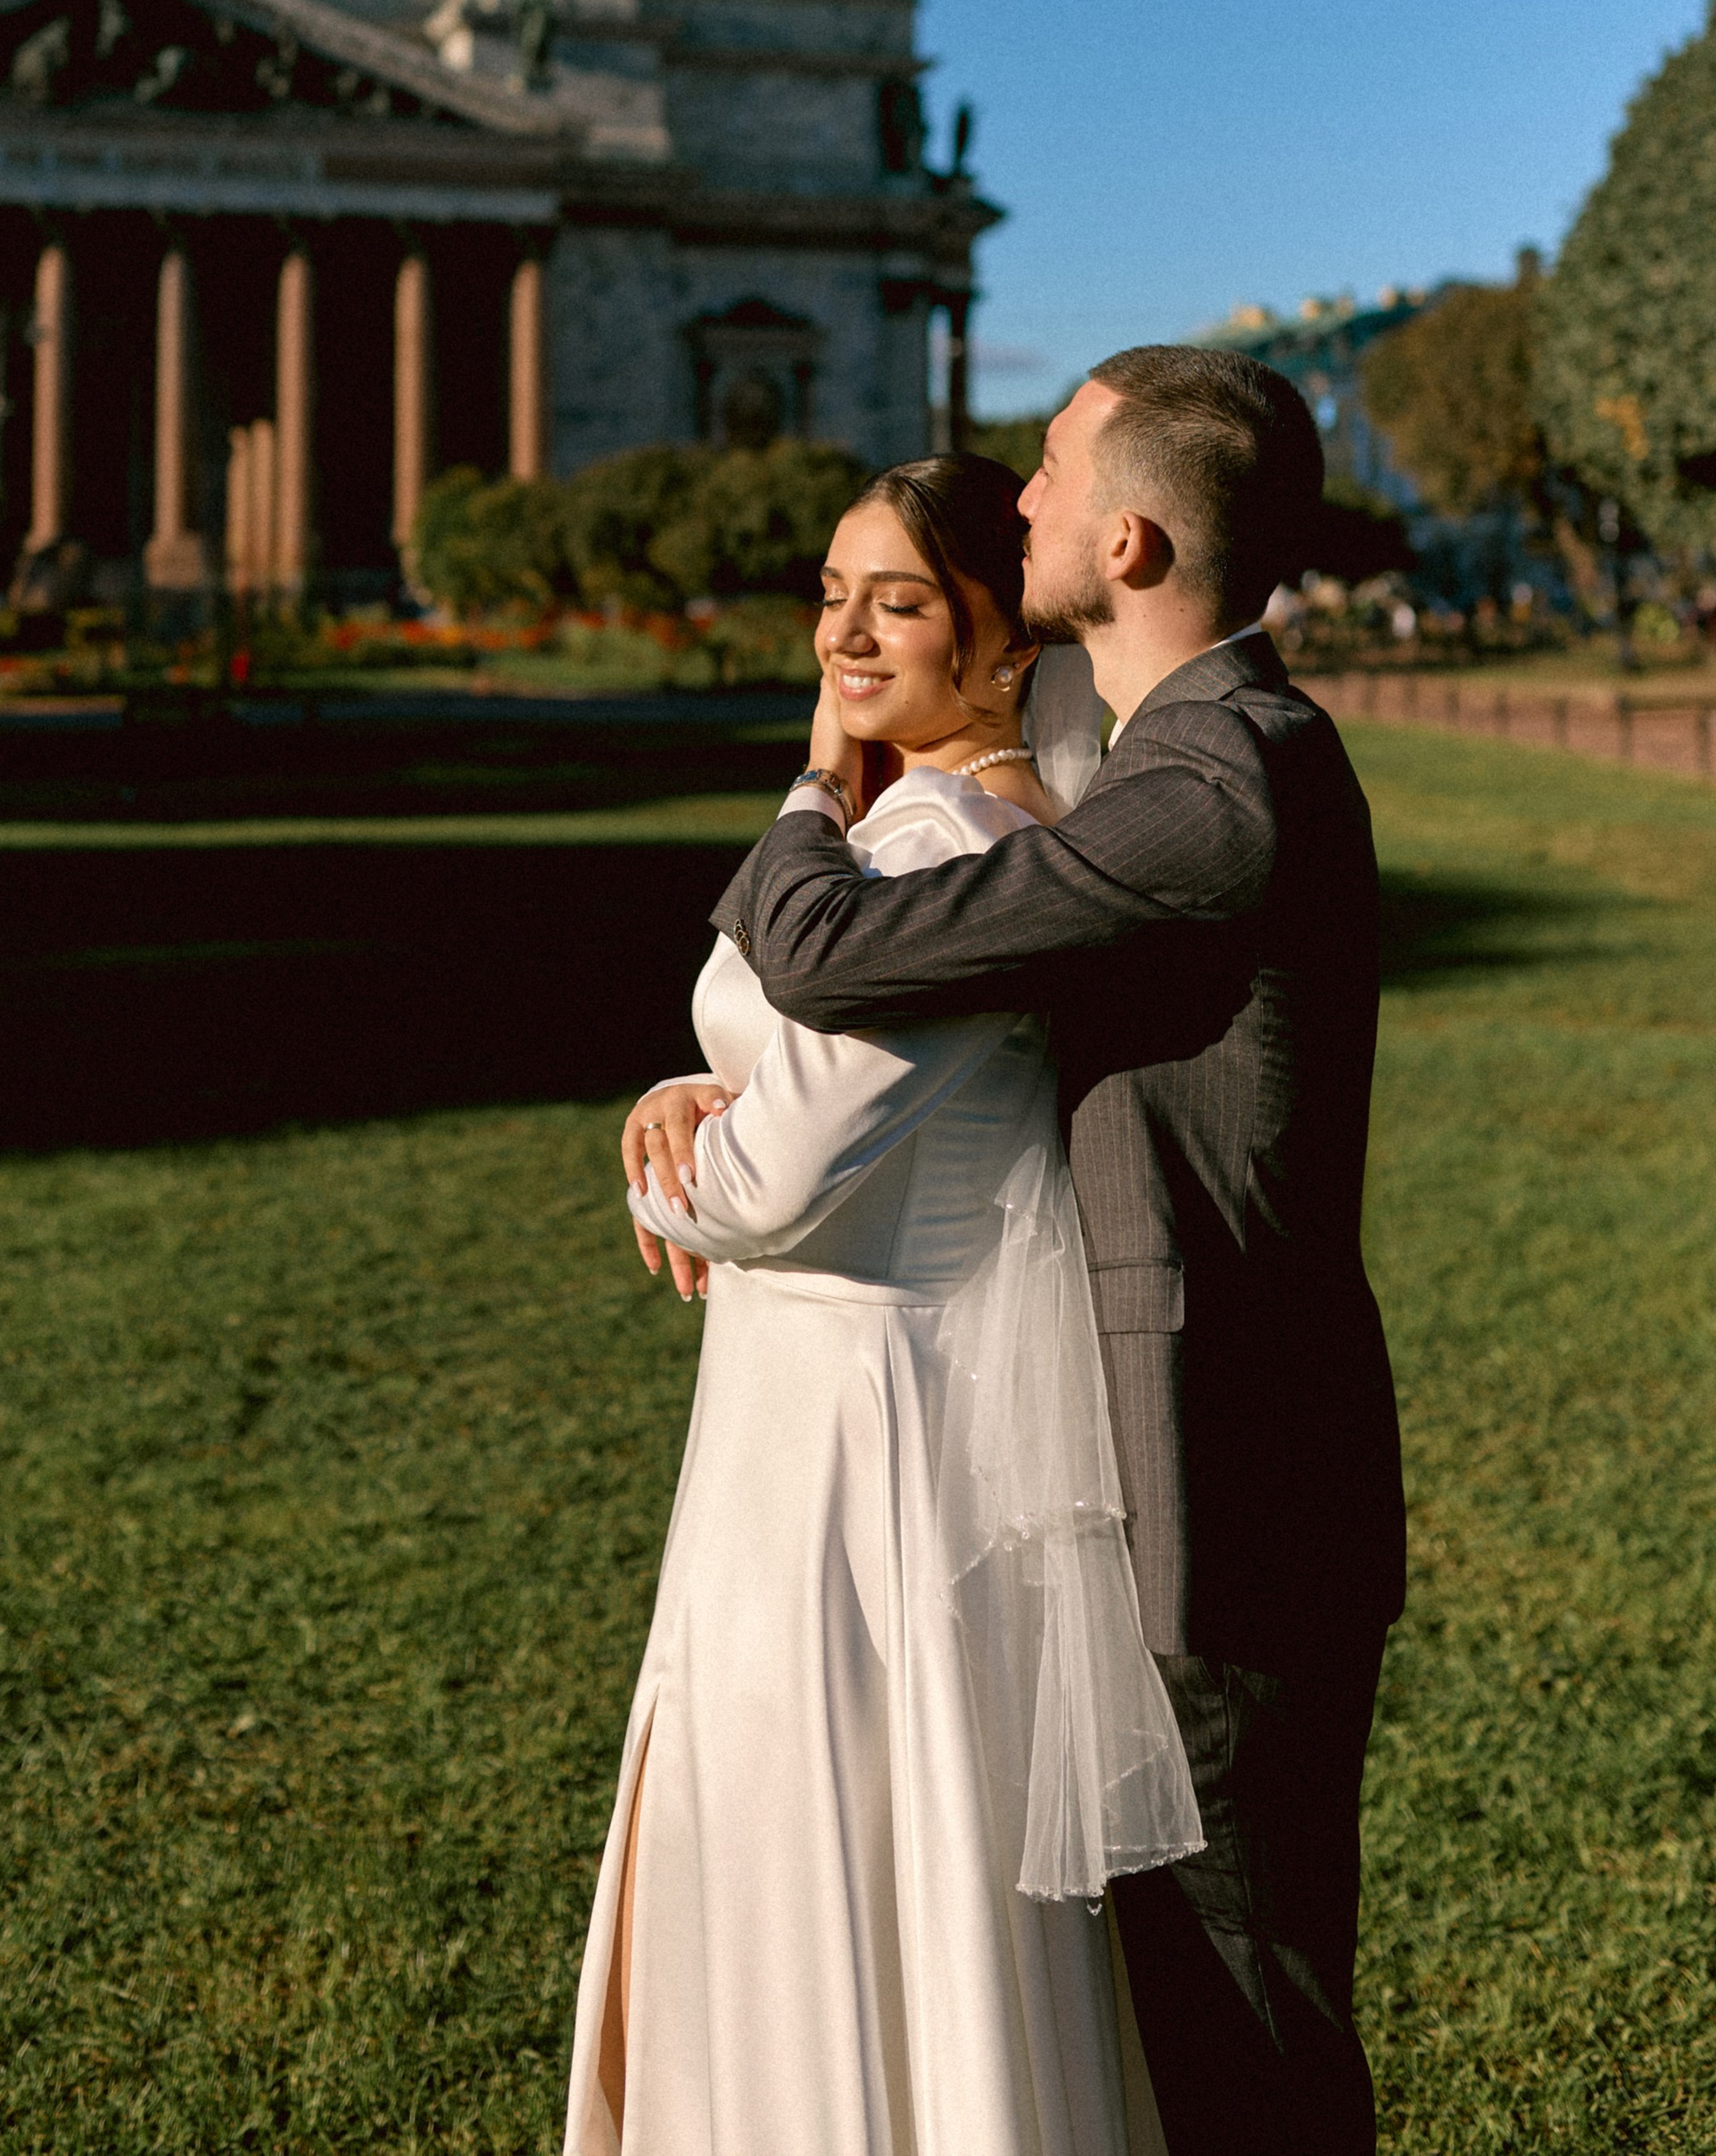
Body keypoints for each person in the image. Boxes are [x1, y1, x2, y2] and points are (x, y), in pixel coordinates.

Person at [631, 349, 1407, 2156]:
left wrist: (819, 782)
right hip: (1166, 1457)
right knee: (1179, 2011)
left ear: (1125, 540)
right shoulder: (1173, 759)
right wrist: (707, 1072)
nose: (1026, 502)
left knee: (1243, 2018)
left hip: (1223, 1475)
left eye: (1050, 479)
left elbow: (835, 959)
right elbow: (937, 1022)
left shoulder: (1212, 784)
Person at [566, 454, 1202, 2156]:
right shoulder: (900, 831)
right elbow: (792, 1088)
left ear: (1006, 647)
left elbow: (776, 1186)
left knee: (833, 1839)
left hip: (868, 1437)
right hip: (805, 1395)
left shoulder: (949, 846)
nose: (848, 629)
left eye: (901, 600)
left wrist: (662, 1167)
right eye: (835, 592)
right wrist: (686, 1088)